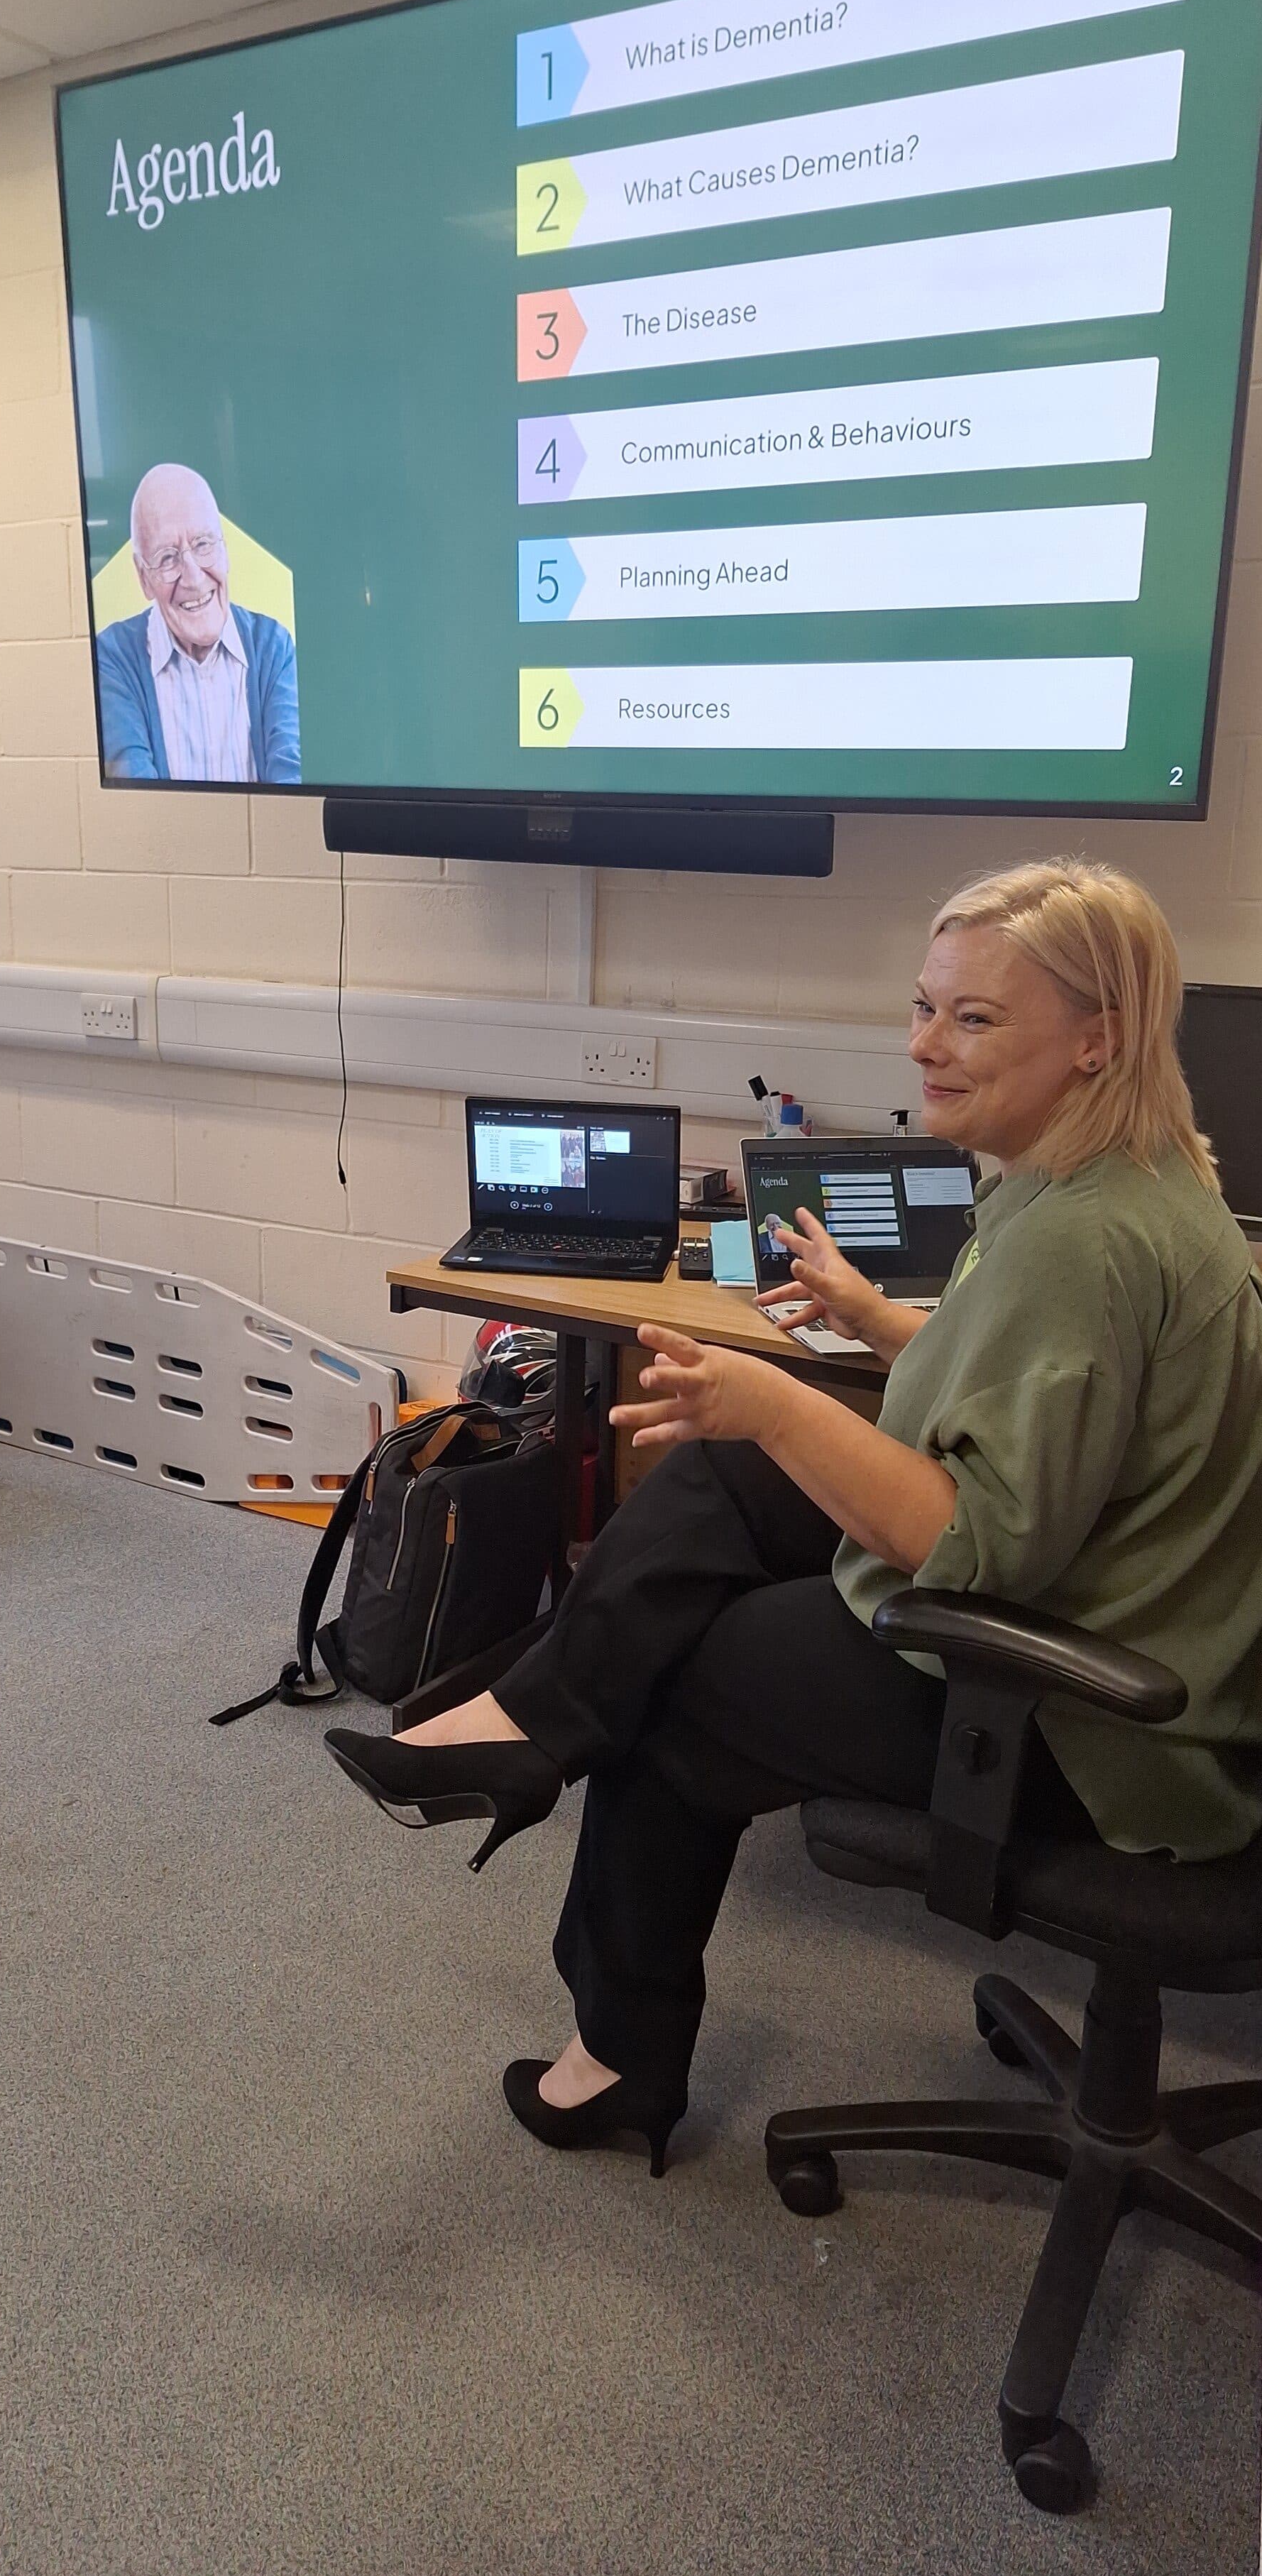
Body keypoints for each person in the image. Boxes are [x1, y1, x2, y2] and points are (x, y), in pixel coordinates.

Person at [326, 860, 1262, 2175]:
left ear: (1097, 1036)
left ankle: (617, 2057)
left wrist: (772, 1402)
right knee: (714, 1483)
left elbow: (967, 1543)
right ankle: (533, 1723)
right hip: (1122, 1608)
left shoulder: (1078, 1238)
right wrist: (881, 1325)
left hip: (1091, 1721)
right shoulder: (1119, 1174)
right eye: (926, 1006)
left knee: (682, 1671)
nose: (926, 1045)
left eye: (975, 1020)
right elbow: (1057, 1396)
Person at [95, 463, 300, 785]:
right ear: (143, 578)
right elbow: (135, 799)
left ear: (225, 549)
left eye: (204, 544)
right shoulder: (112, 658)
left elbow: (293, 786)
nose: (192, 578)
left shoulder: (274, 647)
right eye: (167, 558)